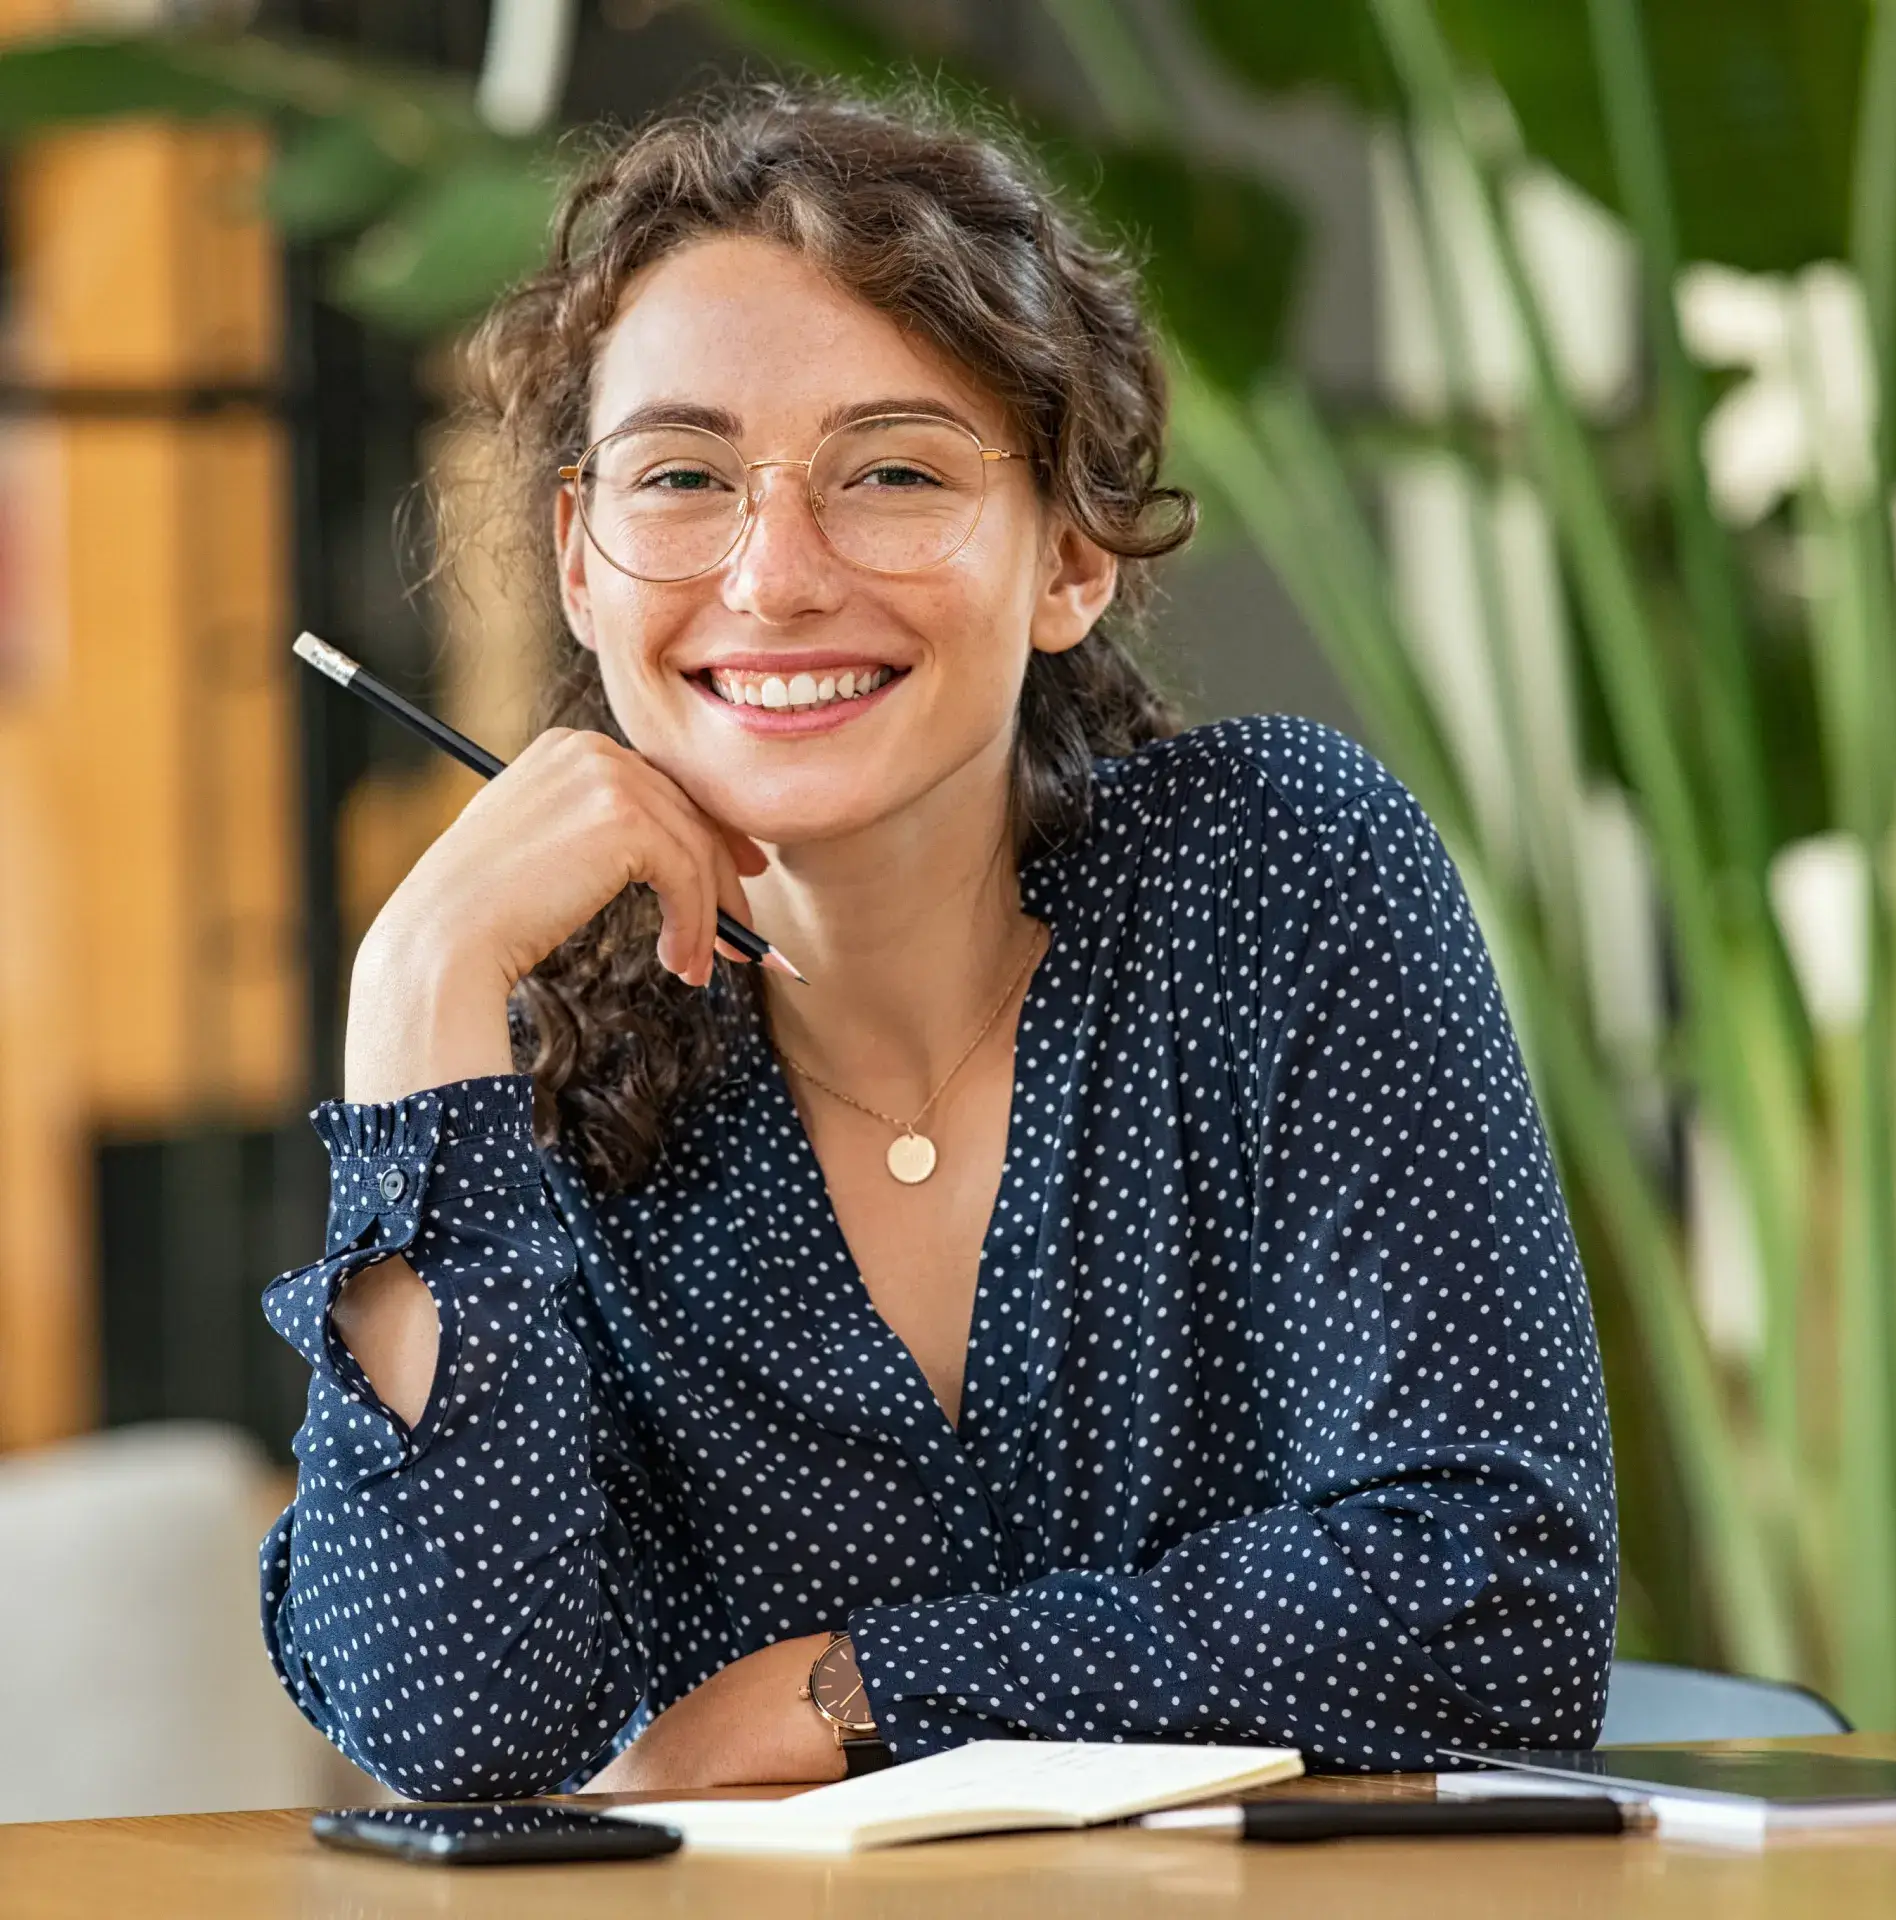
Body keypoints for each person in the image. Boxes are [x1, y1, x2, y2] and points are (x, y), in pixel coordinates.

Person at [259, 80, 1617, 1800]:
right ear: (582, 563)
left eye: (892, 471)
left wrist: (843, 1690)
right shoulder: (505, 1085)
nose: (774, 576)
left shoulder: (1272, 877)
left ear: (1068, 555)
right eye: (682, 476)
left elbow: (1497, 1599)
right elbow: (455, 1728)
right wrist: (414, 989)